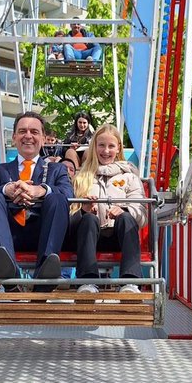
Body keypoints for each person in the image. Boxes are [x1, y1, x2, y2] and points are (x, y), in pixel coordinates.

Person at [0, 110, 74, 281]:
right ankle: (7, 269)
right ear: (14, 137)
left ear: (44, 139)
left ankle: (46, 270)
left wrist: (41, 190)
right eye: (22, 131)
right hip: (9, 233)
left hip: (44, 232)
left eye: (34, 132)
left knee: (58, 197)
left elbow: (68, 194)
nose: (28, 136)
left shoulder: (57, 169)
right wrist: (7, 189)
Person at [70, 124, 143, 294]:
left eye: (111, 146)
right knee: (88, 220)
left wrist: (124, 210)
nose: (106, 151)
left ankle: (130, 281)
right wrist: (84, 210)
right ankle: (87, 280)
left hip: (119, 236)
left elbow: (141, 212)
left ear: (118, 149)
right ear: (94, 147)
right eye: (101, 145)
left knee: (126, 218)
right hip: (89, 237)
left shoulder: (130, 177)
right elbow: (70, 215)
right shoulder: (81, 176)